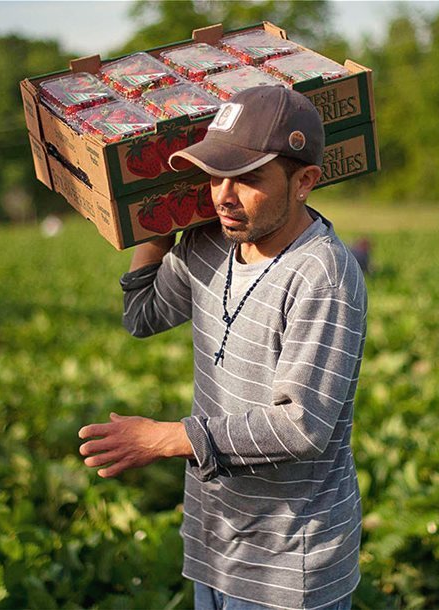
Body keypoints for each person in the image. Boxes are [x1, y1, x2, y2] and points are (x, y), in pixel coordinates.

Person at [78, 86, 367, 610]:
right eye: (214, 175)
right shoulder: (210, 243)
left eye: (249, 178)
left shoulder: (322, 274)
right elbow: (141, 316)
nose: (223, 196)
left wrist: (164, 438)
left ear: (304, 182)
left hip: (287, 565)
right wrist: (157, 225)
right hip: (215, 542)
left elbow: (301, 425)